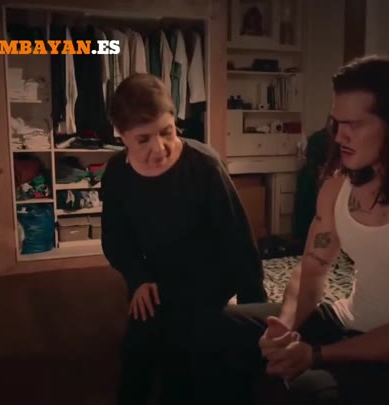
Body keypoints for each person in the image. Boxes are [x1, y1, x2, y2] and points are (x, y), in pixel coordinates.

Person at [223, 56, 389, 404]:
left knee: (308, 392)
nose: (339, 136)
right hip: (346, 321)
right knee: (220, 328)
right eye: (336, 123)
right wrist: (285, 325)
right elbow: (312, 268)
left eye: (354, 124)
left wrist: (317, 355)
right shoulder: (339, 186)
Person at [100, 73, 267, 405]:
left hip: (209, 281)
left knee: (187, 367)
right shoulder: (117, 172)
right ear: (121, 135)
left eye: (167, 132)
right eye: (143, 139)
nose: (158, 148)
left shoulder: (204, 166)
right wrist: (138, 278)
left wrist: (256, 317)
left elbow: (239, 244)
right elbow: (116, 238)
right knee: (136, 359)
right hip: (155, 278)